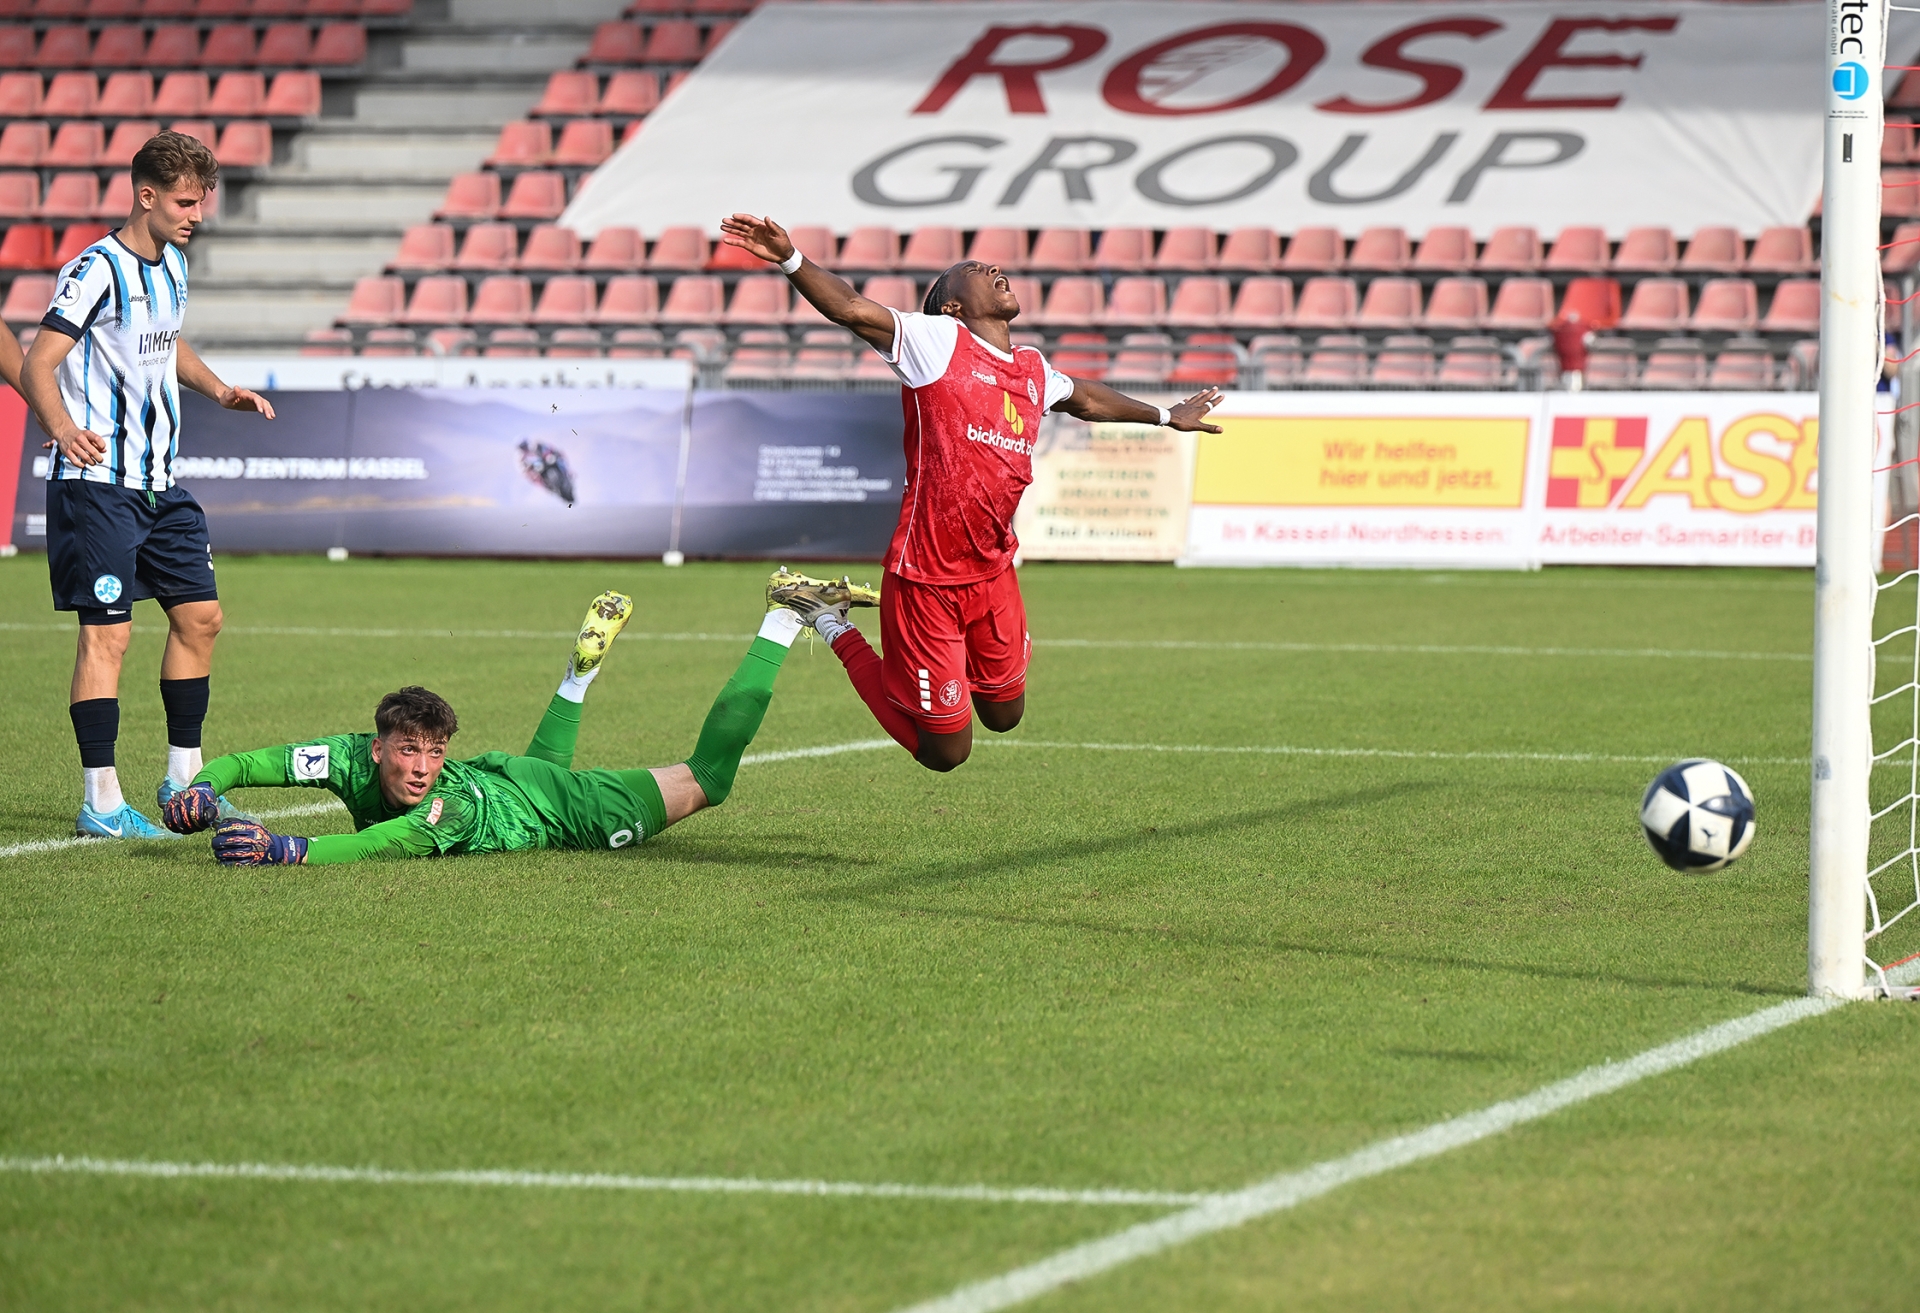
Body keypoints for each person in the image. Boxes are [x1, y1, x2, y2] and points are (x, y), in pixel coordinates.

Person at [723, 212, 1224, 772]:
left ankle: (938, 677)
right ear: (952, 306)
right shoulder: (936, 341)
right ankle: (829, 620)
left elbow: (1085, 398)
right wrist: (791, 258)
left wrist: (1165, 416)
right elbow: (851, 308)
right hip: (927, 577)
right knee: (947, 752)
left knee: (1005, 715)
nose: (992, 268)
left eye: (991, 264)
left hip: (993, 572)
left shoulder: (1031, 368)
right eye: (973, 269)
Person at [18, 130, 277, 840]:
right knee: (109, 636)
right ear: (146, 196)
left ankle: (183, 782)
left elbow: (167, 341)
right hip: (98, 483)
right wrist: (63, 426)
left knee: (201, 618)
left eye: (202, 201)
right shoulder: (95, 269)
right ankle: (102, 802)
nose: (198, 215)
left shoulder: (174, 265)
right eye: (186, 202)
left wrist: (218, 389)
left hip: (161, 484)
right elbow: (40, 361)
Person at [161, 590, 804, 864]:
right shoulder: (344, 755)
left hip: (568, 813)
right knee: (546, 779)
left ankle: (783, 616)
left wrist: (288, 848)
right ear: (376, 748)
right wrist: (207, 784)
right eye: (409, 751)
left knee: (709, 780)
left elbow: (381, 845)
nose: (421, 768)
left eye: (434, 752)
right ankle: (574, 680)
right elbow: (254, 764)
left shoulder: (446, 810)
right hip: (521, 781)